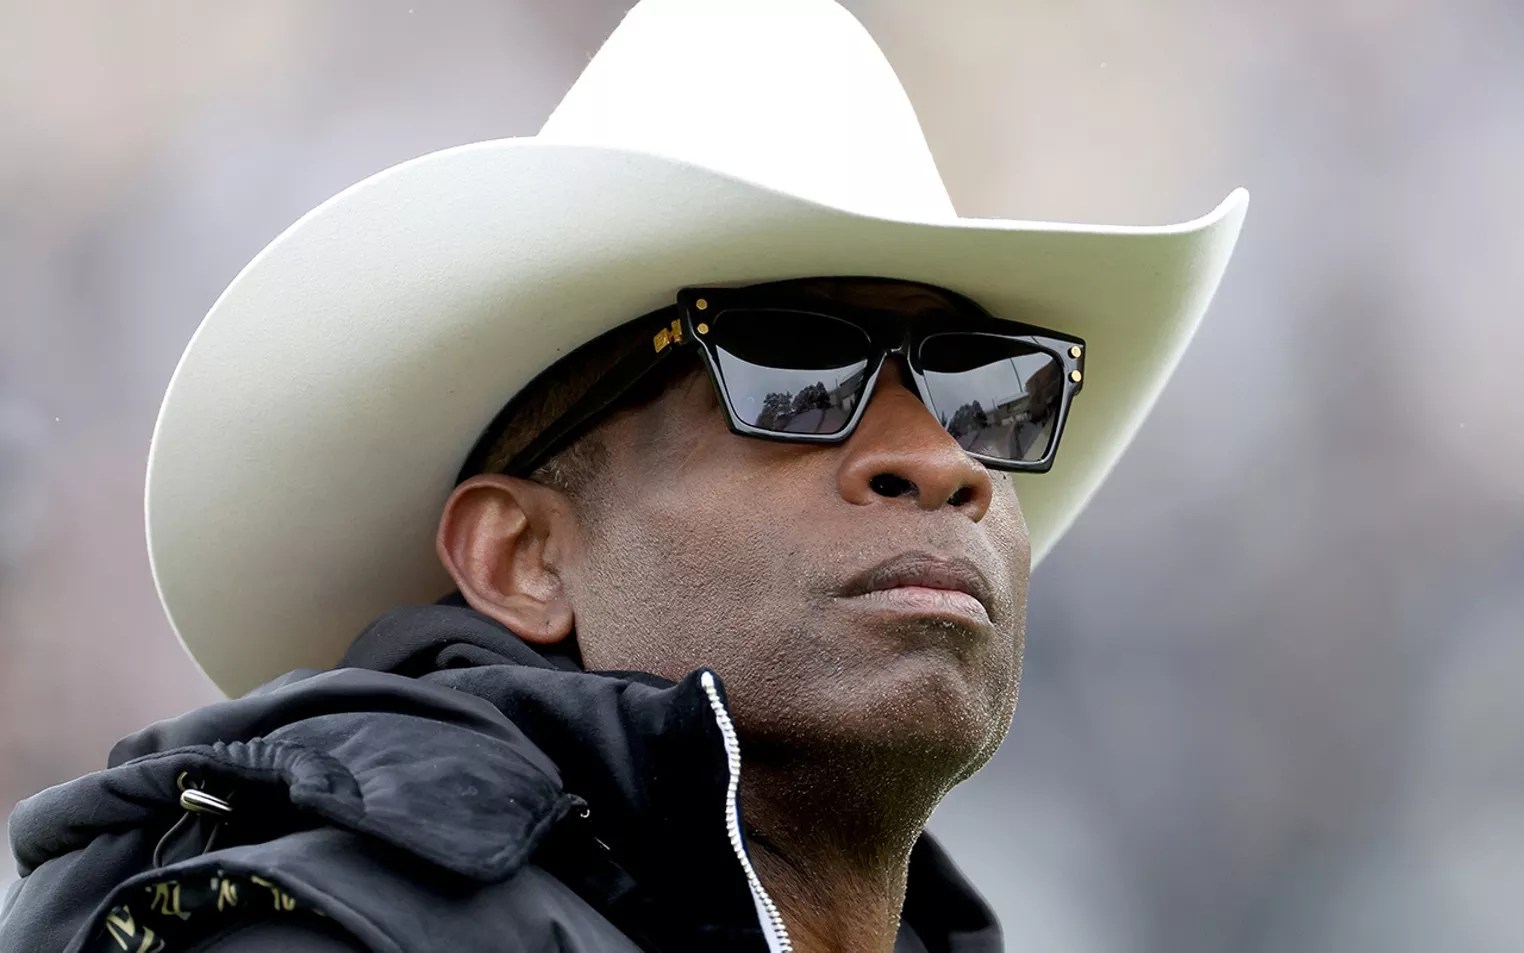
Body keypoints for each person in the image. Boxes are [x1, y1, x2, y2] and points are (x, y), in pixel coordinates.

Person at [0, 1, 1248, 951]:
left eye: (986, 389)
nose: (939, 458)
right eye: (794, 374)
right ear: (520, 557)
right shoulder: (307, 932)